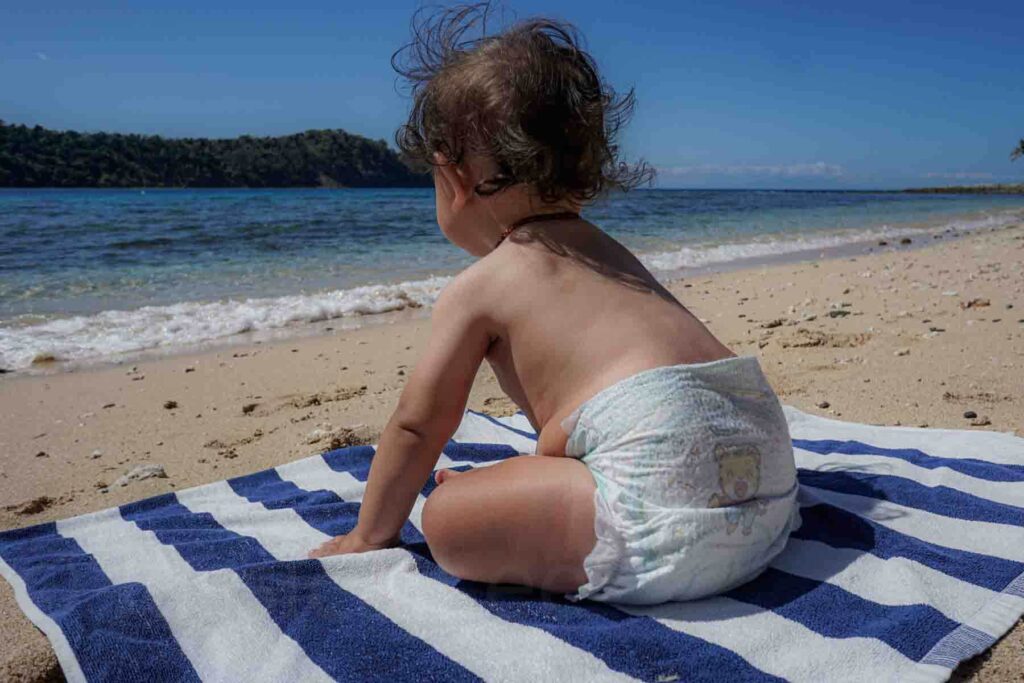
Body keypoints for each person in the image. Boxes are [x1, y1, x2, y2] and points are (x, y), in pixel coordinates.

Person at [309, 3, 799, 605]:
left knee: (448, 518)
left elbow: (418, 424)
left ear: (456, 179)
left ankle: (519, 508)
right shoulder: (612, 256)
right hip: (766, 485)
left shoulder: (481, 285)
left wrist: (367, 533)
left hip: (661, 497)